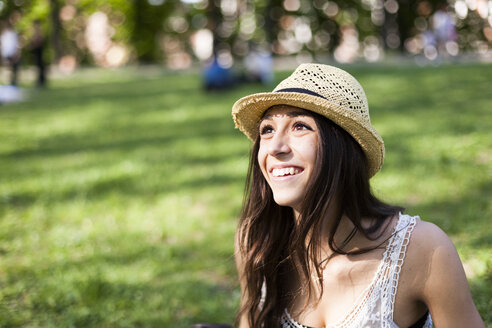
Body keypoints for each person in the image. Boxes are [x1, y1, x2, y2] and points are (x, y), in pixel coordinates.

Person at [231, 64, 484, 328]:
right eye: (267, 129)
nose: (276, 147)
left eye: (300, 126)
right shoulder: (257, 243)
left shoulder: (423, 248)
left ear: (342, 149)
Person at [1, 21, 21, 86]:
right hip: (6, 54)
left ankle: (13, 82)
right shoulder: (3, 35)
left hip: (12, 54)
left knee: (13, 69)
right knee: (7, 69)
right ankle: (7, 82)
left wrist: (16, 53)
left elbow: (15, 45)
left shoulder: (13, 34)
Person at [29, 20, 46, 87]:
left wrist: (34, 45)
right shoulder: (37, 30)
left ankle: (41, 80)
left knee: (40, 65)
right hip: (37, 50)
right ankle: (40, 80)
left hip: (39, 49)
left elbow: (39, 40)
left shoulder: (38, 30)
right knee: (38, 65)